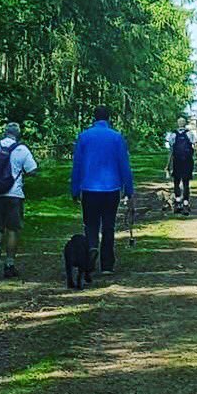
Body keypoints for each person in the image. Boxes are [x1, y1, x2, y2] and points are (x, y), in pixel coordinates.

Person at [70, 105, 135, 275]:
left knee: (90, 224)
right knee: (108, 225)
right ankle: (107, 264)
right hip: (111, 188)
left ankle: (91, 248)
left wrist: (75, 189)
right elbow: (124, 164)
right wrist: (128, 188)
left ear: (94, 118)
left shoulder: (84, 137)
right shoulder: (116, 137)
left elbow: (77, 165)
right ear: (108, 118)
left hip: (89, 188)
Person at [0, 121, 38, 279]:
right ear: (18, 134)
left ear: (4, 132)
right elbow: (32, 170)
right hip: (14, 195)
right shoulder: (22, 149)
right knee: (12, 229)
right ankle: (9, 264)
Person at [164, 115, 197, 215]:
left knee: (176, 182)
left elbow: (171, 150)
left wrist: (168, 164)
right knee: (186, 183)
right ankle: (186, 203)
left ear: (178, 124)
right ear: (185, 123)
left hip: (177, 161)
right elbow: (195, 147)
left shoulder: (173, 135)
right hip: (187, 161)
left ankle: (178, 203)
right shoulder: (190, 134)